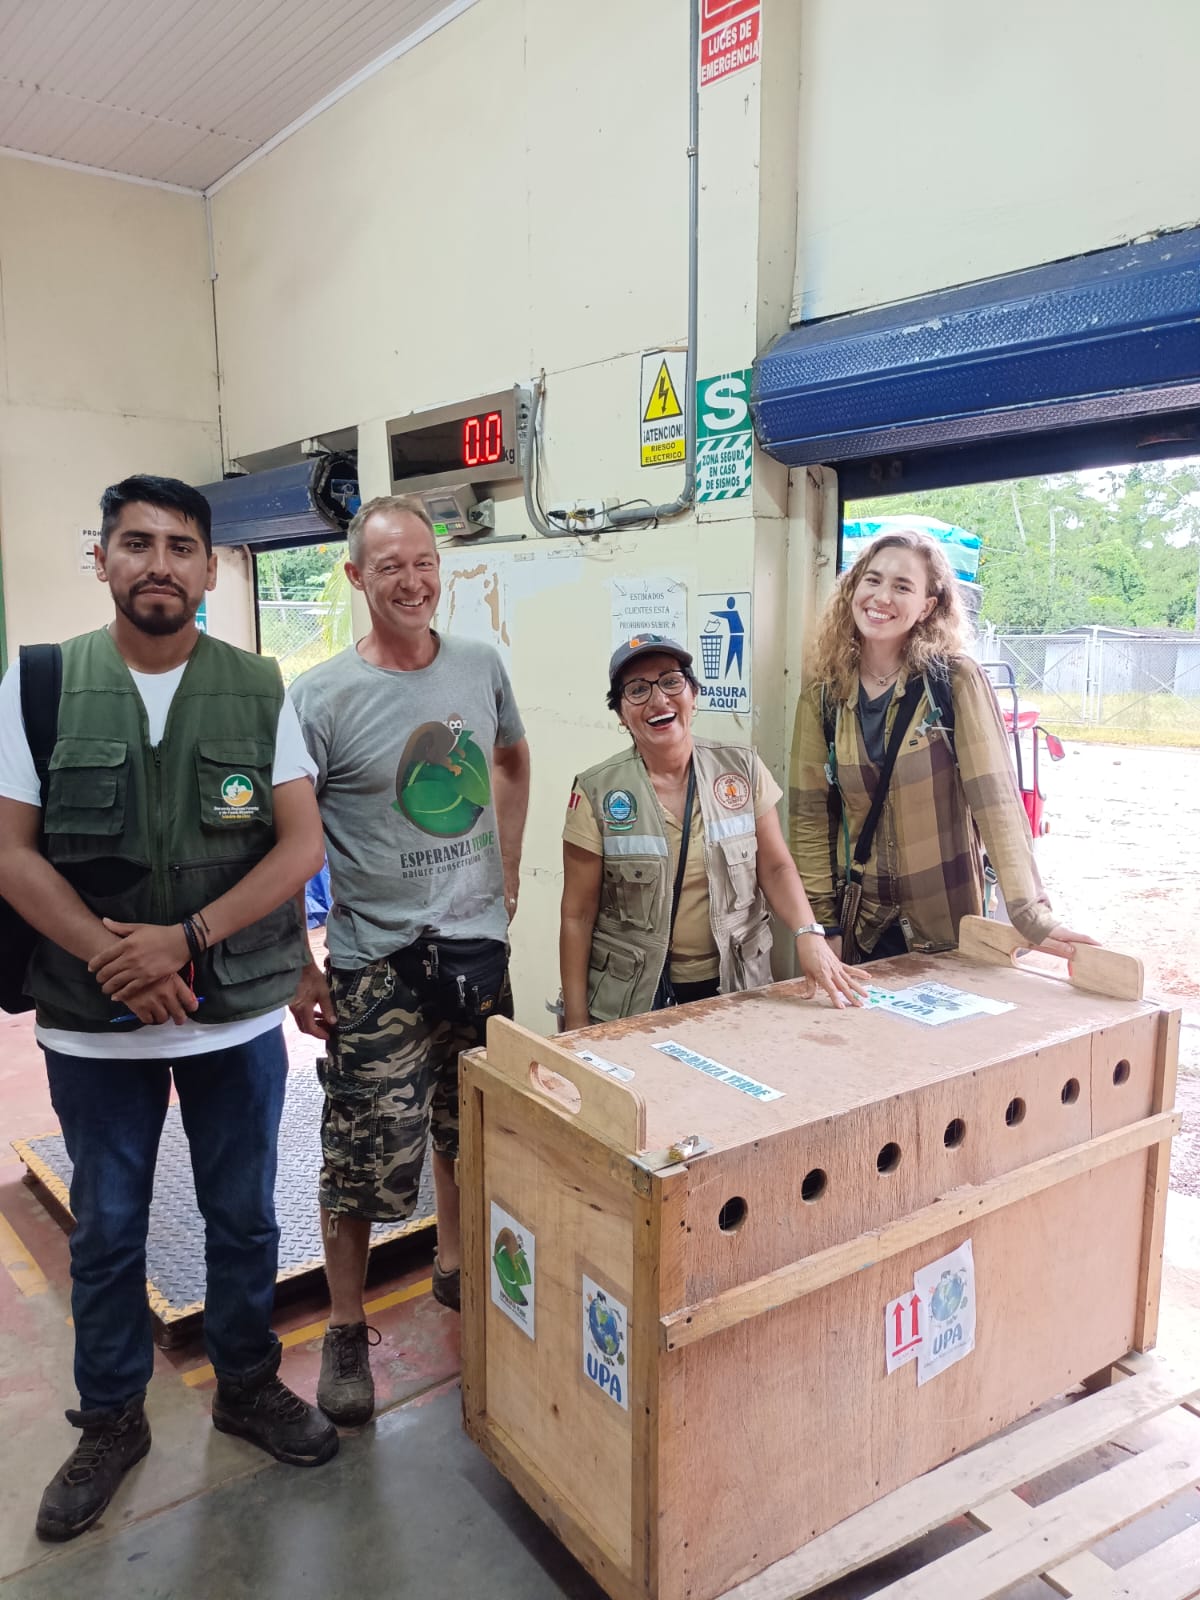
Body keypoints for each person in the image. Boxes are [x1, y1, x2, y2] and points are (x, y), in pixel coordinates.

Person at [0, 475, 336, 1544]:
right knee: (107, 1230)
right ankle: (110, 1420)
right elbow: (11, 853)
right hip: (91, 1021)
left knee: (245, 1216)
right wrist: (117, 958)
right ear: (101, 558)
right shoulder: (39, 682)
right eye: (136, 542)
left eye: (181, 546)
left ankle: (247, 1383)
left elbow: (301, 844)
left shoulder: (259, 686)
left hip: (232, 1015)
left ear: (210, 568)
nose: (159, 563)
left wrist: (183, 940)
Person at [290, 494, 530, 1427]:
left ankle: (457, 1267)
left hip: (477, 951)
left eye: (423, 561)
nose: (411, 580)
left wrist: (508, 869)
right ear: (356, 576)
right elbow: (285, 839)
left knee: (470, 1126)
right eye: (389, 565)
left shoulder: (479, 665)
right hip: (376, 964)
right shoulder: (320, 697)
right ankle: (346, 1329)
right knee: (361, 1154)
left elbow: (511, 758)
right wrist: (302, 964)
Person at [790, 529, 1094, 962]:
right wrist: (824, 925)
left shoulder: (954, 682)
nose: (881, 597)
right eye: (872, 580)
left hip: (947, 923)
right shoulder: (823, 697)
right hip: (862, 927)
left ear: (927, 606)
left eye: (902, 587)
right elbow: (809, 819)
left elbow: (997, 803)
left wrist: (1032, 916)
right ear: (853, 589)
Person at [559, 635, 866, 1028]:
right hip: (635, 997)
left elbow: (776, 868)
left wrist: (809, 934)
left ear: (694, 695)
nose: (658, 700)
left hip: (736, 986)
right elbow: (578, 915)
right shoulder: (596, 791)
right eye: (637, 690)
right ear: (621, 714)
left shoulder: (742, 768)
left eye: (671, 681)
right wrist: (576, 1020)